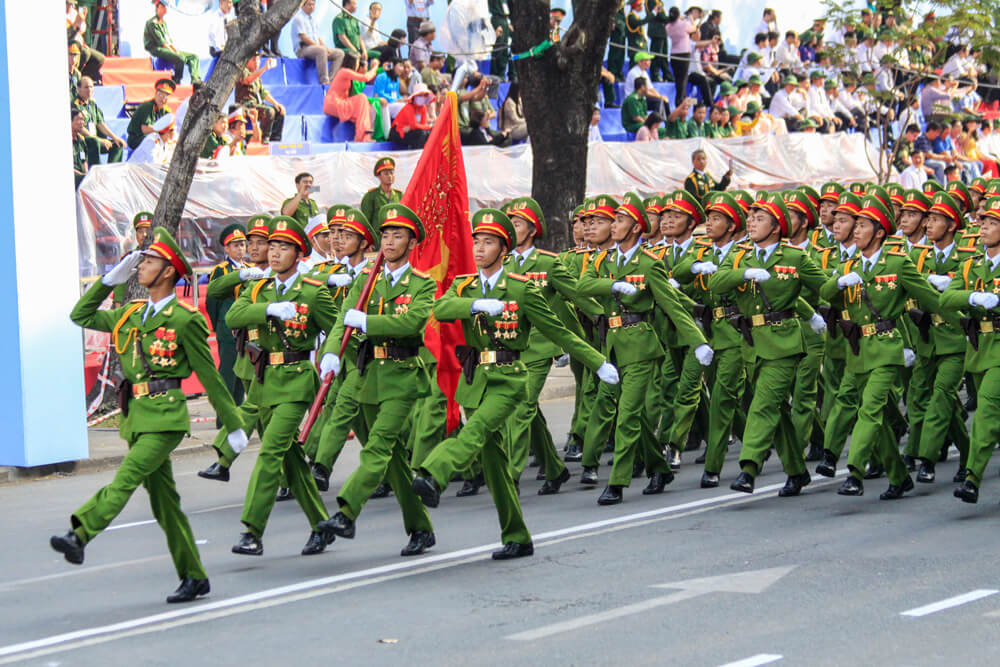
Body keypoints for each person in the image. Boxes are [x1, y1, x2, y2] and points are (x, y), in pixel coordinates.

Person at [51, 228, 246, 603]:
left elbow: (210, 376)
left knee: (126, 478)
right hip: (136, 418)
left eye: (150, 261)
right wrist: (110, 280)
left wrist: (233, 426)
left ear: (169, 271)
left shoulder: (185, 319)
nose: (141, 266)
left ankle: (81, 534)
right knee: (164, 504)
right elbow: (80, 314)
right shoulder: (132, 314)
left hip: (165, 417)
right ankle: (194, 575)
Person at [412, 208, 616, 556]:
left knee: (474, 431)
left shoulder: (521, 289)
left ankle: (433, 473)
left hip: (507, 379)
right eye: (477, 241)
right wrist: (475, 305)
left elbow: (558, 330)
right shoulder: (465, 286)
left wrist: (597, 362)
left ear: (504, 249)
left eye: (488, 242)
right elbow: (441, 309)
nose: (479, 248)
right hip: (475, 380)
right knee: (496, 468)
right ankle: (518, 536)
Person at [315, 204, 437, 557]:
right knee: (393, 460)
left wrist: (368, 323)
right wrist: (331, 353)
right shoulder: (368, 279)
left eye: (398, 236)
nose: (389, 242)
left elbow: (411, 323)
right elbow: (343, 318)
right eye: (385, 235)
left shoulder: (422, 284)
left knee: (378, 447)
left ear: (411, 242)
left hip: (401, 376)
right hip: (368, 376)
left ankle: (347, 512)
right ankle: (421, 528)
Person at [576, 193, 709, 503]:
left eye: (620, 221)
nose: (613, 225)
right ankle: (658, 467)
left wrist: (699, 341)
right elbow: (582, 287)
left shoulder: (649, 264)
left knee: (627, 415)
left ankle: (617, 483)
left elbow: (672, 306)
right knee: (626, 412)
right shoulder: (603, 261)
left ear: (636, 227)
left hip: (640, 346)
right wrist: (611, 285)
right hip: (612, 346)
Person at [227, 216, 338, 558]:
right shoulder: (257, 290)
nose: (274, 253)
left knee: (270, 452)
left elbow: (337, 327)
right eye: (272, 246)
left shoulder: (313, 292)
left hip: (295, 381)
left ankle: (252, 531)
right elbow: (233, 317)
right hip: (263, 383)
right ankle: (321, 524)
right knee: (292, 461)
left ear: (299, 254)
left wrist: (331, 353)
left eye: (283, 247)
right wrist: (269, 309)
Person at [820, 195, 937, 499]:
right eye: (855, 225)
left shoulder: (897, 263)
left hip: (886, 347)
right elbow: (825, 293)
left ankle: (855, 472)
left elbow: (930, 299)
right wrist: (840, 282)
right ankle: (899, 476)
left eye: (862, 226)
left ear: (880, 232)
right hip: (858, 349)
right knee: (877, 418)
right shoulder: (849, 265)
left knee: (870, 410)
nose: (855, 230)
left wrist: (961, 320)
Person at [710, 193, 827, 496]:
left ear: (776, 227)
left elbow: (823, 286)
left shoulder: (794, 257)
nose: (751, 222)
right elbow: (715, 283)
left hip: (784, 342)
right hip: (751, 343)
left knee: (762, 405)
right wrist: (743, 273)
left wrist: (840, 290)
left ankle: (749, 468)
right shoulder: (740, 256)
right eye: (750, 217)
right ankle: (797, 472)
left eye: (759, 218)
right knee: (779, 412)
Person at [198, 216, 271, 482]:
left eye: (250, 243)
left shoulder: (270, 273)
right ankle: (225, 430)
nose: (247, 248)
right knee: (231, 379)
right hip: (236, 338)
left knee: (261, 409)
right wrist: (223, 326)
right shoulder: (228, 271)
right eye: (242, 244)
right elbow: (214, 298)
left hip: (267, 349)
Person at [944, 198, 1000, 504]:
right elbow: (945, 300)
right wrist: (973, 297)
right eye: (983, 223)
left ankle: (972, 478)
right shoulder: (970, 265)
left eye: (993, 224)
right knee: (993, 418)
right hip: (979, 349)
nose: (984, 229)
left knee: (986, 413)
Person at [206, 224, 249, 421]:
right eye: (235, 245)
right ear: (227, 248)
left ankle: (237, 412)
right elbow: (212, 301)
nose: (240, 249)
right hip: (228, 329)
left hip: (246, 329)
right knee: (228, 373)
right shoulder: (222, 270)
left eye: (242, 244)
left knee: (241, 374)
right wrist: (220, 324)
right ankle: (224, 417)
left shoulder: (249, 269)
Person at [323, 52, 379, 142]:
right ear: (352, 63)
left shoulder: (345, 72)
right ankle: (362, 136)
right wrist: (375, 67)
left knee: (362, 103)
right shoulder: (344, 71)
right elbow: (366, 78)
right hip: (334, 103)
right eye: (357, 63)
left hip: (338, 102)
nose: (357, 66)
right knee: (362, 99)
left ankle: (363, 135)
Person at [144, 0, 201, 84]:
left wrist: (176, 50)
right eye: (163, 6)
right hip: (156, 49)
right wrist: (176, 53)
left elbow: (168, 41)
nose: (165, 8)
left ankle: (195, 80)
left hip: (166, 47)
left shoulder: (163, 23)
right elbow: (162, 43)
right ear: (157, 8)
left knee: (193, 57)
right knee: (179, 57)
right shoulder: (152, 23)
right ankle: (177, 79)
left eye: (165, 6)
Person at [236, 55, 286, 145]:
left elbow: (263, 93)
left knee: (279, 111)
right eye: (254, 59)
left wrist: (276, 104)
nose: (257, 62)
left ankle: (275, 140)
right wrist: (264, 68)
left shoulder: (257, 76)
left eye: (258, 60)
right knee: (269, 112)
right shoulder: (243, 71)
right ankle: (264, 139)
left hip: (256, 105)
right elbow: (247, 80)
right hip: (245, 105)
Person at [74, 77, 125, 165]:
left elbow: (100, 124)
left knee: (117, 144)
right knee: (94, 142)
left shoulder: (92, 104)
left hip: (95, 139)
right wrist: (100, 140)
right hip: (82, 140)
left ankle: (111, 170)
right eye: (86, 87)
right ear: (79, 89)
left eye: (91, 87)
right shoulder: (75, 104)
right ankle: (96, 171)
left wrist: (115, 138)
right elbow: (79, 128)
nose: (89, 90)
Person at [293, 0, 345, 85]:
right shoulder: (299, 19)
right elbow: (304, 38)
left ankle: (331, 80)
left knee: (339, 53)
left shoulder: (313, 20)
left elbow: (317, 37)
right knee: (321, 50)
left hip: (315, 47)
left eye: (313, 5)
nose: (312, 7)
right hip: (303, 49)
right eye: (309, 5)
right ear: (302, 6)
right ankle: (324, 81)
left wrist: (326, 48)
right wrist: (320, 47)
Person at [126, 78, 174, 151]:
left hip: (153, 136)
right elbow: (145, 129)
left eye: (165, 96)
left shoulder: (166, 111)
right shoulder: (147, 106)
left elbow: (170, 128)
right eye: (160, 94)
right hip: (137, 138)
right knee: (156, 142)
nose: (162, 98)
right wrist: (163, 132)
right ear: (155, 94)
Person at [666, 7, 698, 107]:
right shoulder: (684, 24)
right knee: (683, 78)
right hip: (684, 53)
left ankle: (683, 99)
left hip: (674, 54)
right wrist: (692, 20)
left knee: (678, 78)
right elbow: (694, 28)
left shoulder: (668, 26)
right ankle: (679, 101)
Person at [389, 83, 434, 148]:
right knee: (422, 133)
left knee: (427, 133)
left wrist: (426, 127)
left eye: (424, 95)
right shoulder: (409, 107)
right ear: (415, 96)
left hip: (410, 131)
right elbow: (414, 125)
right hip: (398, 132)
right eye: (420, 95)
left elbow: (422, 124)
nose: (422, 97)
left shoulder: (423, 108)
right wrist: (429, 127)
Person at [71, 109, 90, 189]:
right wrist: (81, 175)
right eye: (78, 120)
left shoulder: (81, 140)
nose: (82, 122)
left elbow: (84, 160)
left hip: (82, 176)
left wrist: (86, 174)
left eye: (82, 120)